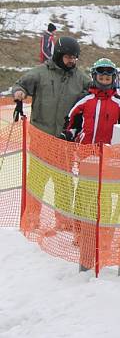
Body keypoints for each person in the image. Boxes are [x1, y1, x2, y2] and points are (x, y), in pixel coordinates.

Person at [13, 36, 91, 232]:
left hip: (64, 141)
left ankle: (64, 221)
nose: (72, 61)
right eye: (68, 57)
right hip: (42, 137)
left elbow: (95, 91)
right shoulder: (41, 73)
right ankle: (31, 218)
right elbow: (20, 84)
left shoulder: (80, 78)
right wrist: (19, 93)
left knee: (63, 182)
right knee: (37, 181)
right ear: (58, 55)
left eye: (74, 58)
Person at [63, 58, 120, 272]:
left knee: (105, 195)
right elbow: (71, 120)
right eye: (101, 77)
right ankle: (81, 233)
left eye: (108, 77)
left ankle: (104, 234)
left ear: (113, 79)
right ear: (95, 77)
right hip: (86, 154)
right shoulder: (85, 100)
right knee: (84, 194)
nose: (104, 80)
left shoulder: (119, 102)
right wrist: (69, 133)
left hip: (108, 155)